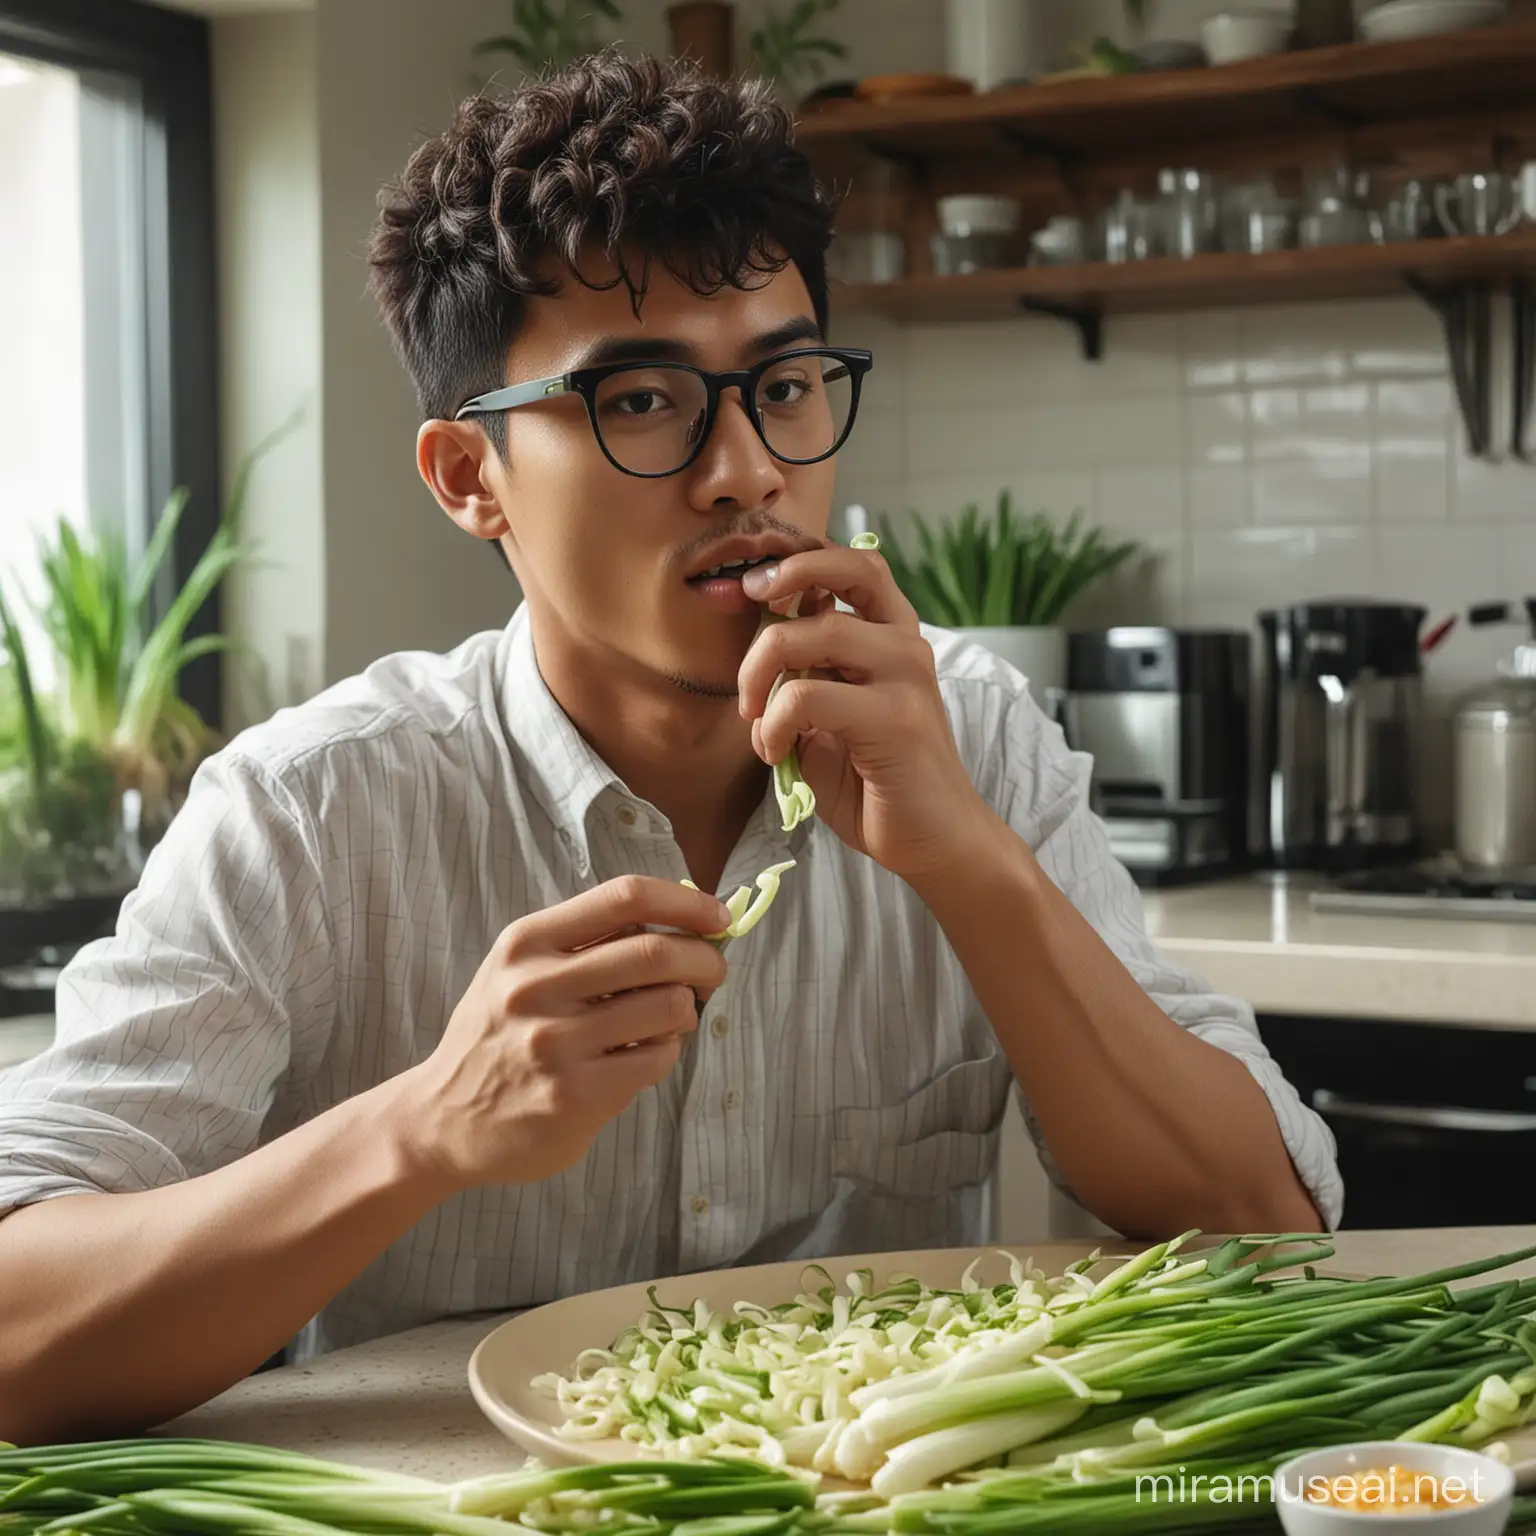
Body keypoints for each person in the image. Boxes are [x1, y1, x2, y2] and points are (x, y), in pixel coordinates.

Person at [0, 50, 1340, 1446]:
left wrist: (972, 863)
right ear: (471, 479)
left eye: (788, 385)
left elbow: (1267, 1229)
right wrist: (418, 1131)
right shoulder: (311, 812)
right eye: (643, 401)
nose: (748, 469)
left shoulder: (971, 736)